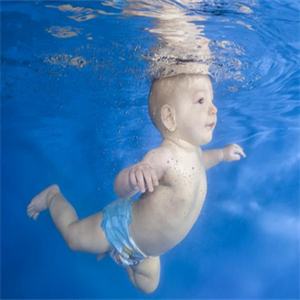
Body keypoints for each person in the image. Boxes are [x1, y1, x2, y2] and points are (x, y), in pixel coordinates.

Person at [27, 73, 245, 294]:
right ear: (170, 118)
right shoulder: (163, 156)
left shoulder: (194, 152)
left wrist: (222, 154)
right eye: (201, 101)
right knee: (73, 238)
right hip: (121, 228)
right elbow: (120, 189)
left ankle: (119, 256)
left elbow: (200, 164)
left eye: (211, 100)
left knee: (148, 287)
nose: (214, 108)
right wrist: (134, 176)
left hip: (146, 252)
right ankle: (53, 196)